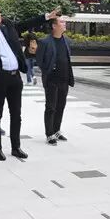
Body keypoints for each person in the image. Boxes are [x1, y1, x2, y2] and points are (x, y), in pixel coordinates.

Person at [0, 5, 60, 161]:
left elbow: (25, 24)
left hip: (15, 77)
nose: (0, 14)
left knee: (16, 114)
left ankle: (16, 147)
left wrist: (46, 17)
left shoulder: (7, 25)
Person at [36, 16, 74, 145]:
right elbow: (39, 61)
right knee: (51, 107)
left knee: (61, 106)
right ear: (54, 26)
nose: (65, 23)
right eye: (62, 22)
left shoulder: (66, 41)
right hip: (51, 79)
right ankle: (49, 133)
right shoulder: (45, 42)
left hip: (64, 78)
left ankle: (57, 130)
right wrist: (48, 70)